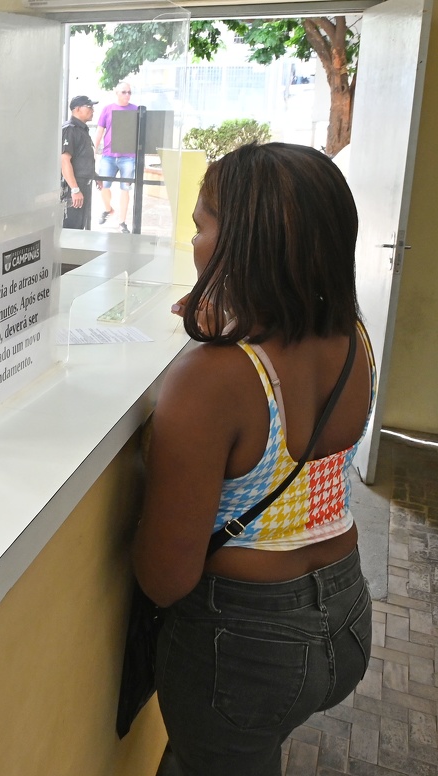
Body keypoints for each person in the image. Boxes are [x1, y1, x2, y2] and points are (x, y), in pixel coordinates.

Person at [133, 143, 375, 776]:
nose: (193, 241)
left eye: (201, 225)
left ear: (244, 243)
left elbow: (167, 579)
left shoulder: (212, 379)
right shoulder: (353, 338)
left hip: (245, 644)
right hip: (345, 613)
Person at [94, 82, 138, 233]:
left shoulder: (136, 110)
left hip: (128, 156)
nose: (127, 95)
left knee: (125, 188)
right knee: (104, 186)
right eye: (124, 92)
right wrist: (94, 149)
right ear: (117, 93)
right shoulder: (108, 109)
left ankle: (122, 222)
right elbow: (100, 131)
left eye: (129, 92)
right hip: (109, 156)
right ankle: (108, 209)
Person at [61, 95, 97, 230]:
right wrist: (75, 190)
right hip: (73, 186)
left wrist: (94, 174)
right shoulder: (70, 129)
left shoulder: (82, 130)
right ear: (77, 109)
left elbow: (81, 158)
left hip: (83, 186)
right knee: (71, 228)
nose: (92, 110)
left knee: (79, 227)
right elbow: (64, 160)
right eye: (89, 107)